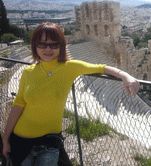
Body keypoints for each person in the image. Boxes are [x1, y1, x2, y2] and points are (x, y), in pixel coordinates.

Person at [2, 22, 140, 165]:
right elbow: (18, 104)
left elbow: (101, 68)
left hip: (49, 143)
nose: (48, 49)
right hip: (19, 140)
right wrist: (5, 139)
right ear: (34, 45)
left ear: (61, 46)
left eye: (54, 45)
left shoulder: (70, 67)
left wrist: (125, 76)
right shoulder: (28, 72)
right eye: (42, 44)